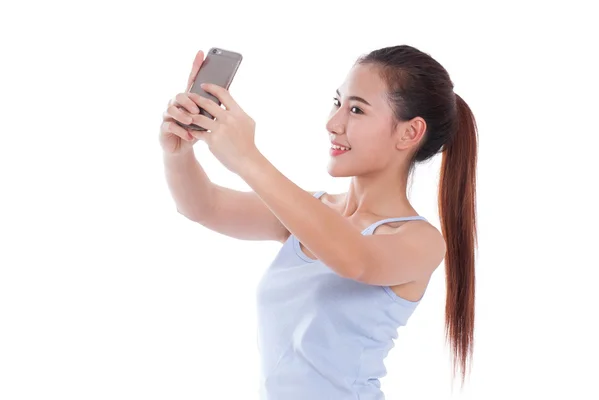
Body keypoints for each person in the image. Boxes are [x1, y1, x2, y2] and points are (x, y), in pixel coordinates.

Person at [160, 44, 478, 399]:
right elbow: (204, 206)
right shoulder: (311, 212)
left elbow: (355, 260)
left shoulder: (420, 240)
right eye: (337, 102)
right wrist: (178, 151)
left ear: (408, 133)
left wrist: (248, 158)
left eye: (356, 109)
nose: (333, 123)